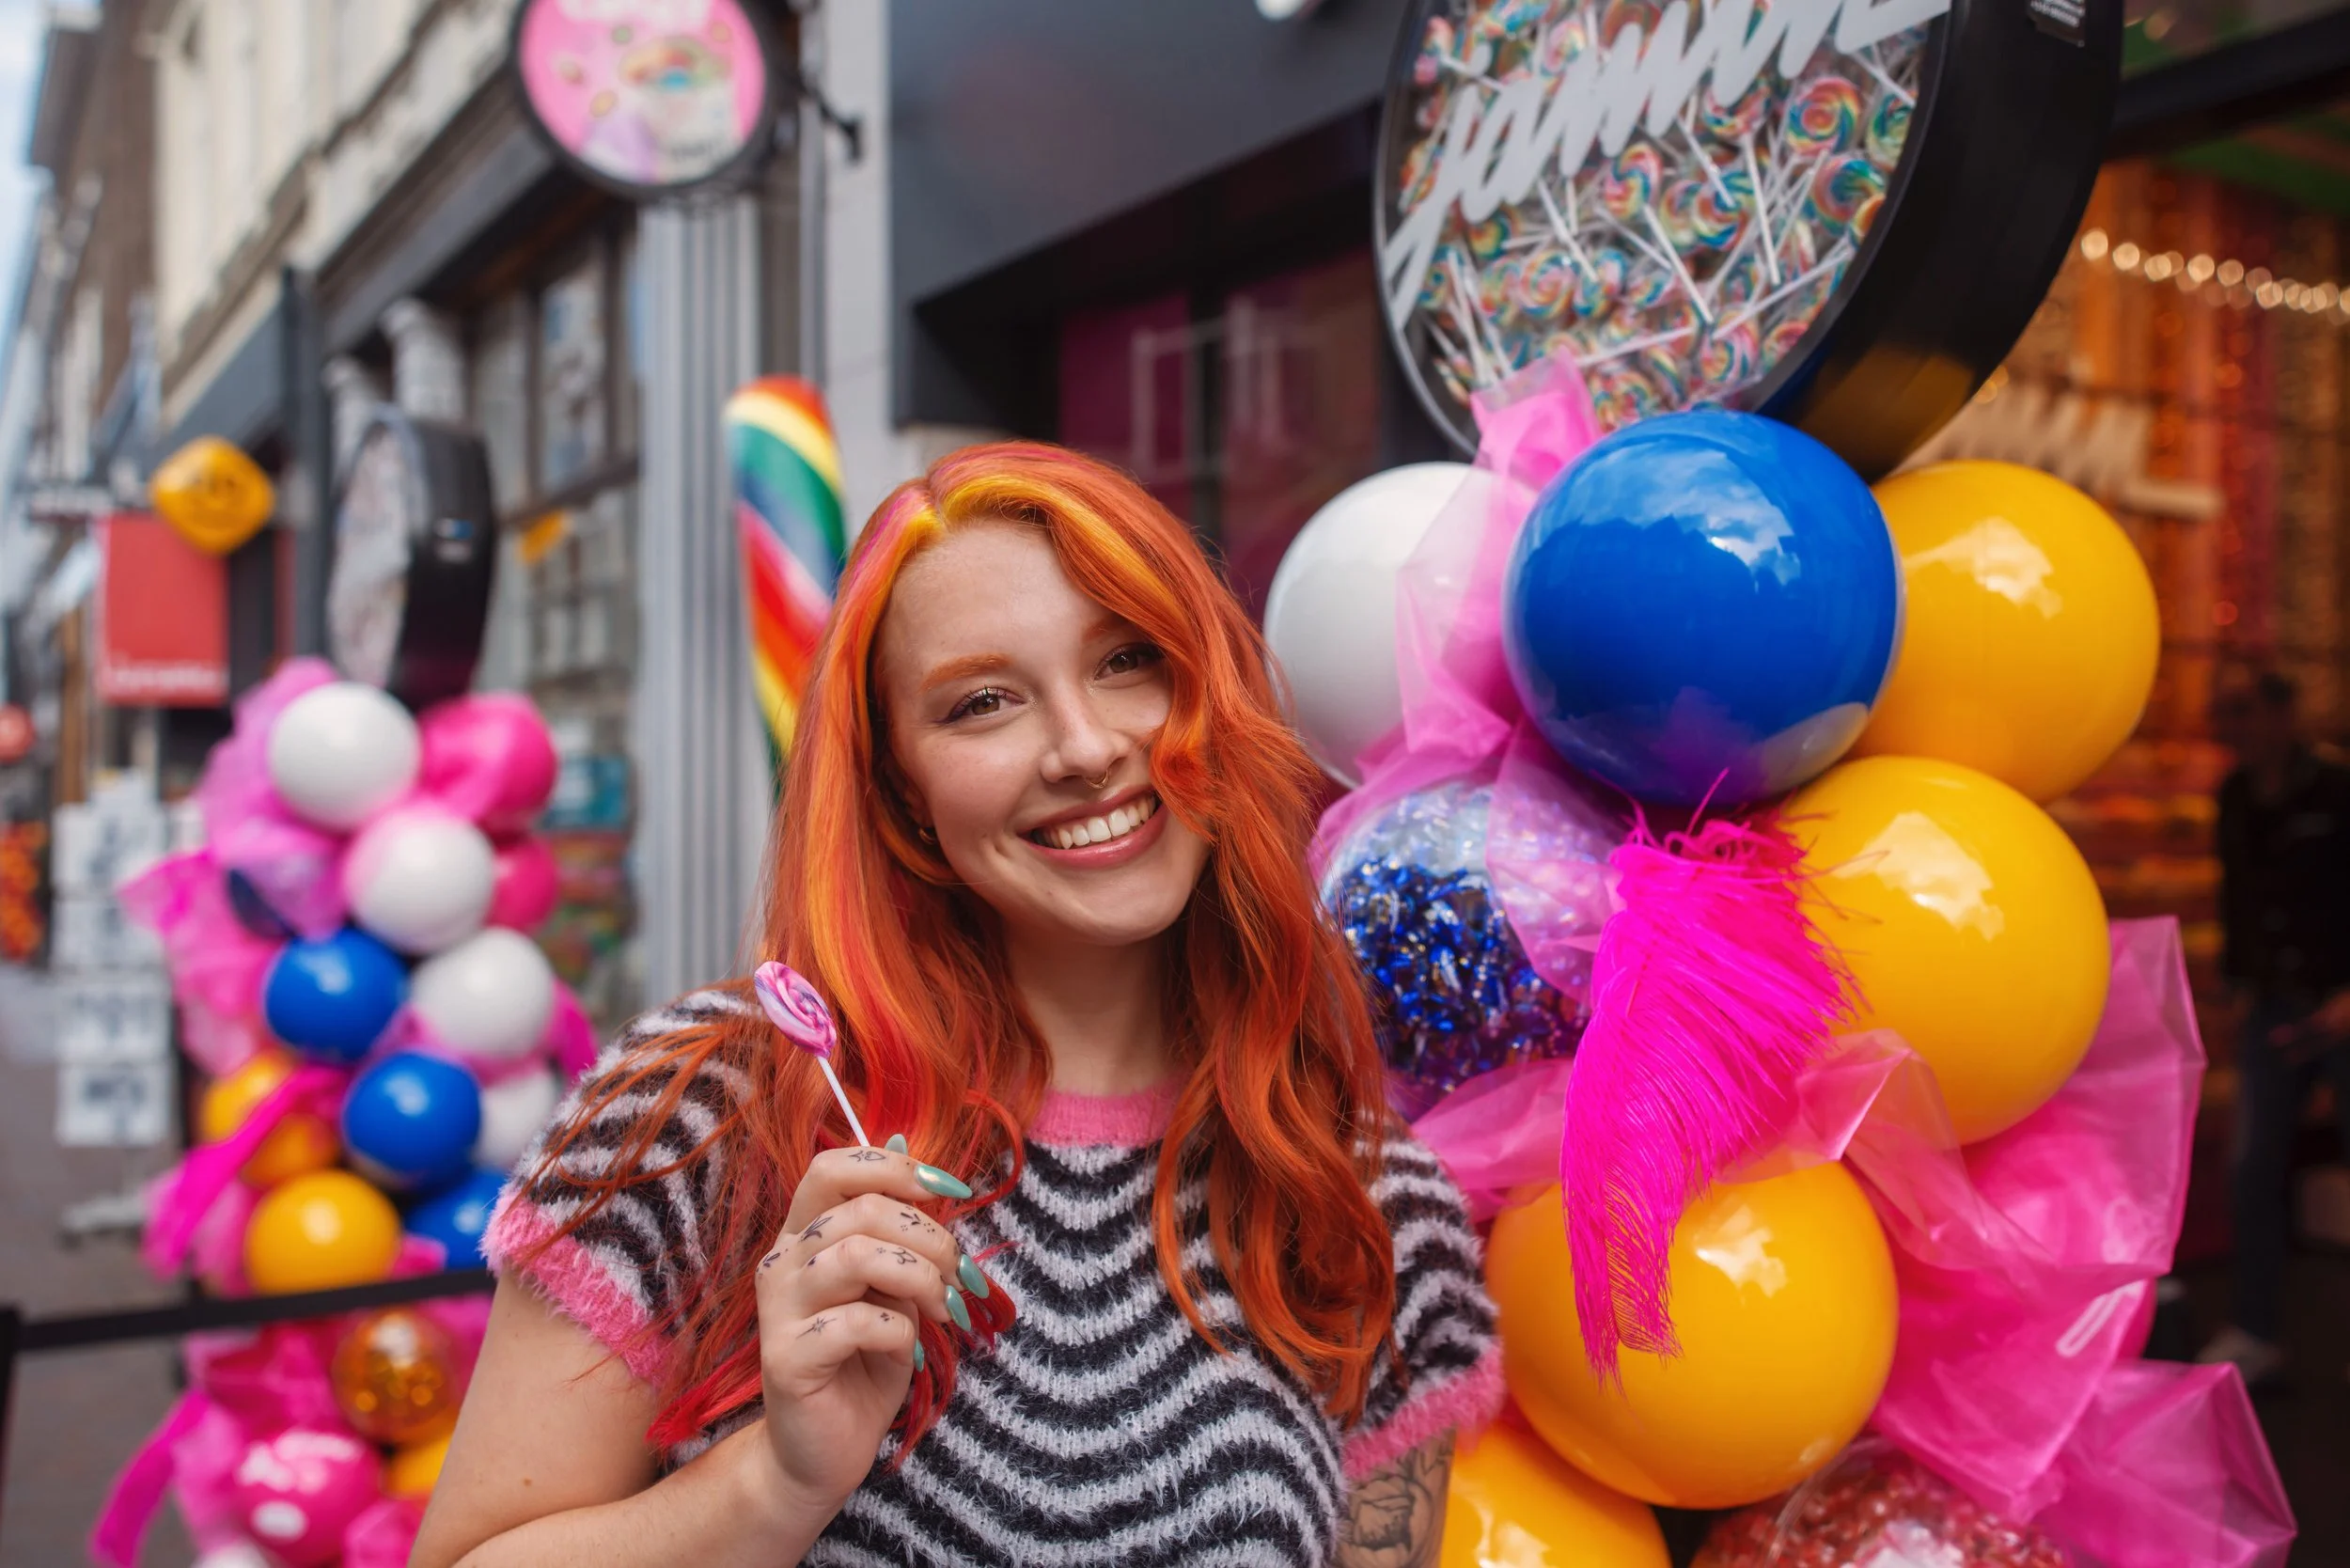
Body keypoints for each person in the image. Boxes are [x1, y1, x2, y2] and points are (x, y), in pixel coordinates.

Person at [412, 443, 1501, 1567]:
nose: (1086, 749)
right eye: (983, 703)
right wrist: (776, 1485)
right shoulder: (702, 1118)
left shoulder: (1363, 1202)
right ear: (904, 797)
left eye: (1129, 659)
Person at [2200, 668, 2350, 1386]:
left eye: (2245, 710)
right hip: (2271, 1008)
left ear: (2285, 713)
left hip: (2341, 1004)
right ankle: (2257, 1327)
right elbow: (2238, 898)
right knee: (2252, 1170)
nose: (2236, 728)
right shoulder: (2232, 797)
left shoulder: (2337, 790)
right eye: (2225, 714)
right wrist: (2237, 987)